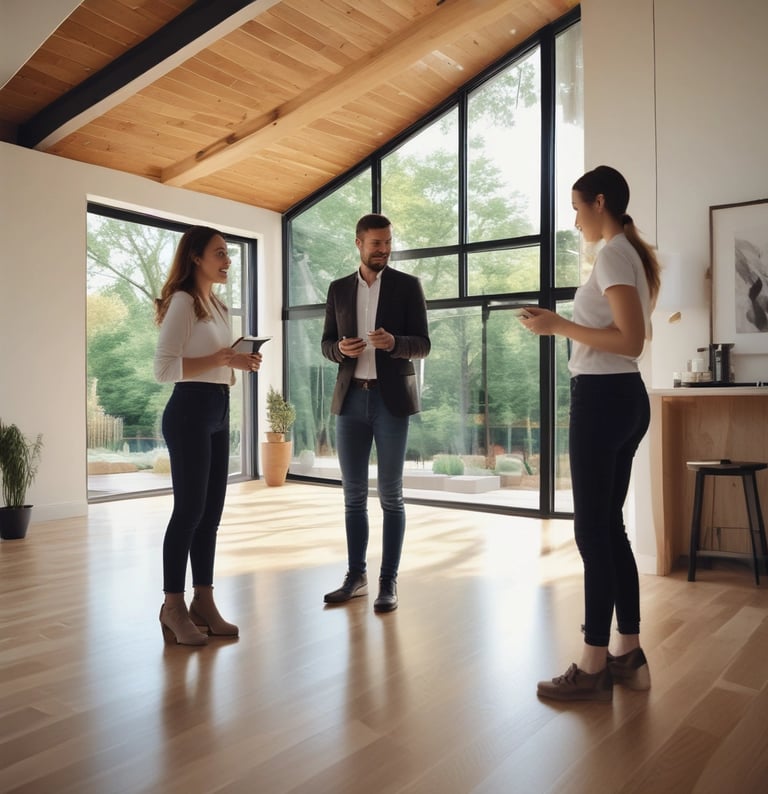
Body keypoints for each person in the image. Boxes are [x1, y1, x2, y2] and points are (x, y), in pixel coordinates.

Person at [520, 166, 660, 701]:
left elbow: (630, 340)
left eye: (577, 207)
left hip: (604, 401)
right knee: (610, 530)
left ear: (600, 202)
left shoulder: (613, 254)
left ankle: (593, 662)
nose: (575, 219)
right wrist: (560, 324)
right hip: (622, 400)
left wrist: (558, 326)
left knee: (591, 533)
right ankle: (627, 652)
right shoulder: (627, 252)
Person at [154, 226, 262, 645]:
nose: (227, 260)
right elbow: (164, 369)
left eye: (228, 253)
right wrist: (218, 358)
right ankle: (172, 606)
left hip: (218, 409)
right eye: (219, 253)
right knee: (188, 513)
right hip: (188, 413)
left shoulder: (216, 304)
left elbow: (214, 360)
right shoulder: (182, 302)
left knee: (210, 517)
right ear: (196, 257)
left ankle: (204, 601)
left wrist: (235, 361)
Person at [321, 213, 431, 612]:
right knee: (352, 496)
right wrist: (340, 351)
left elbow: (422, 344)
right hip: (350, 400)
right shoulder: (338, 289)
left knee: (390, 495)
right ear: (359, 244)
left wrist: (393, 343)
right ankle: (356, 576)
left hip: (391, 403)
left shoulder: (407, 286)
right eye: (376, 244)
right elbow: (326, 343)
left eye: (388, 243)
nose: (384, 249)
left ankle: (388, 581)